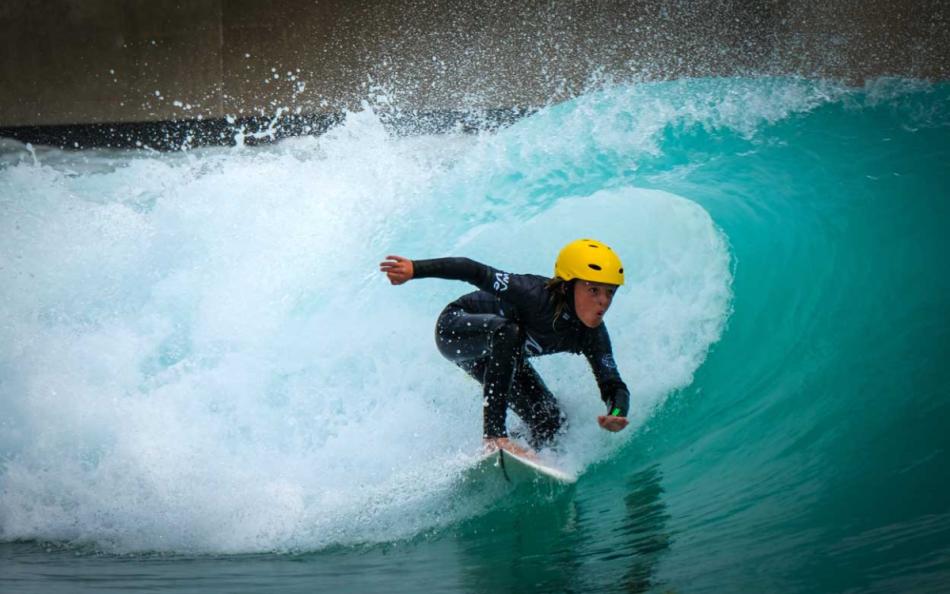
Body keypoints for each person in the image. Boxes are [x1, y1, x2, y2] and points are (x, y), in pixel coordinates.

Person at [379, 239, 630, 458]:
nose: (603, 301)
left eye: (610, 292)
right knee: (508, 331)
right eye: (593, 290)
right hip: (455, 330)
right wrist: (415, 269)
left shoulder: (592, 334)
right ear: (567, 286)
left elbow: (613, 385)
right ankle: (494, 437)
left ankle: (522, 451)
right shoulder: (533, 294)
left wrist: (616, 414)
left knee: (552, 422)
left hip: (499, 358)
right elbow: (472, 270)